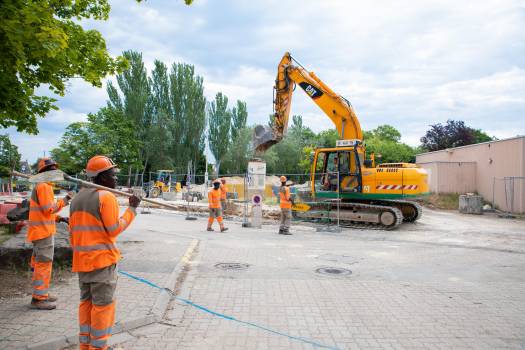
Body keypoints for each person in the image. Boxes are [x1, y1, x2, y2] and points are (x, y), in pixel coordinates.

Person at [69, 155, 141, 350]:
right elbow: (114, 229)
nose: (116, 179)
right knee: (102, 307)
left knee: (86, 304)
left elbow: (74, 233)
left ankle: (85, 345)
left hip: (82, 263)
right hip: (101, 263)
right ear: (102, 177)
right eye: (113, 175)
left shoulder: (77, 199)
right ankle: (99, 347)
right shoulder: (106, 197)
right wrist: (132, 209)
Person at [27, 158, 73, 310]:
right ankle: (38, 298)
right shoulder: (44, 187)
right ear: (45, 172)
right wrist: (65, 200)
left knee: (40, 264)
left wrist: (60, 218)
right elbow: (49, 209)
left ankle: (42, 294)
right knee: (43, 265)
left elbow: (43, 212)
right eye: (52, 169)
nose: (55, 172)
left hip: (40, 232)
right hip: (43, 234)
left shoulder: (41, 186)